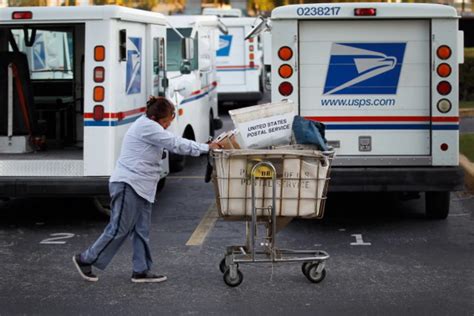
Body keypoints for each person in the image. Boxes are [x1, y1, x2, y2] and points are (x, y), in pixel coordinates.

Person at [73, 96, 222, 283]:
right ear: (155, 119)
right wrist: (206, 148)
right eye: (167, 121)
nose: (168, 124)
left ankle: (141, 270)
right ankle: (85, 259)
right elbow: (176, 144)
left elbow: (171, 140)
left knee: (141, 230)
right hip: (129, 183)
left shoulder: (151, 125)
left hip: (142, 185)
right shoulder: (148, 127)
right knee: (119, 228)